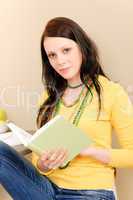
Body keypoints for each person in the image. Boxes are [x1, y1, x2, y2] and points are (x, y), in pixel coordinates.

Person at [0, 17, 133, 200]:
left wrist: (89, 150)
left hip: (90, 192)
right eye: (52, 55)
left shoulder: (111, 92)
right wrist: (44, 164)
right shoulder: (48, 96)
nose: (60, 61)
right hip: (45, 188)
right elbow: (38, 161)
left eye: (66, 50)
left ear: (82, 48)